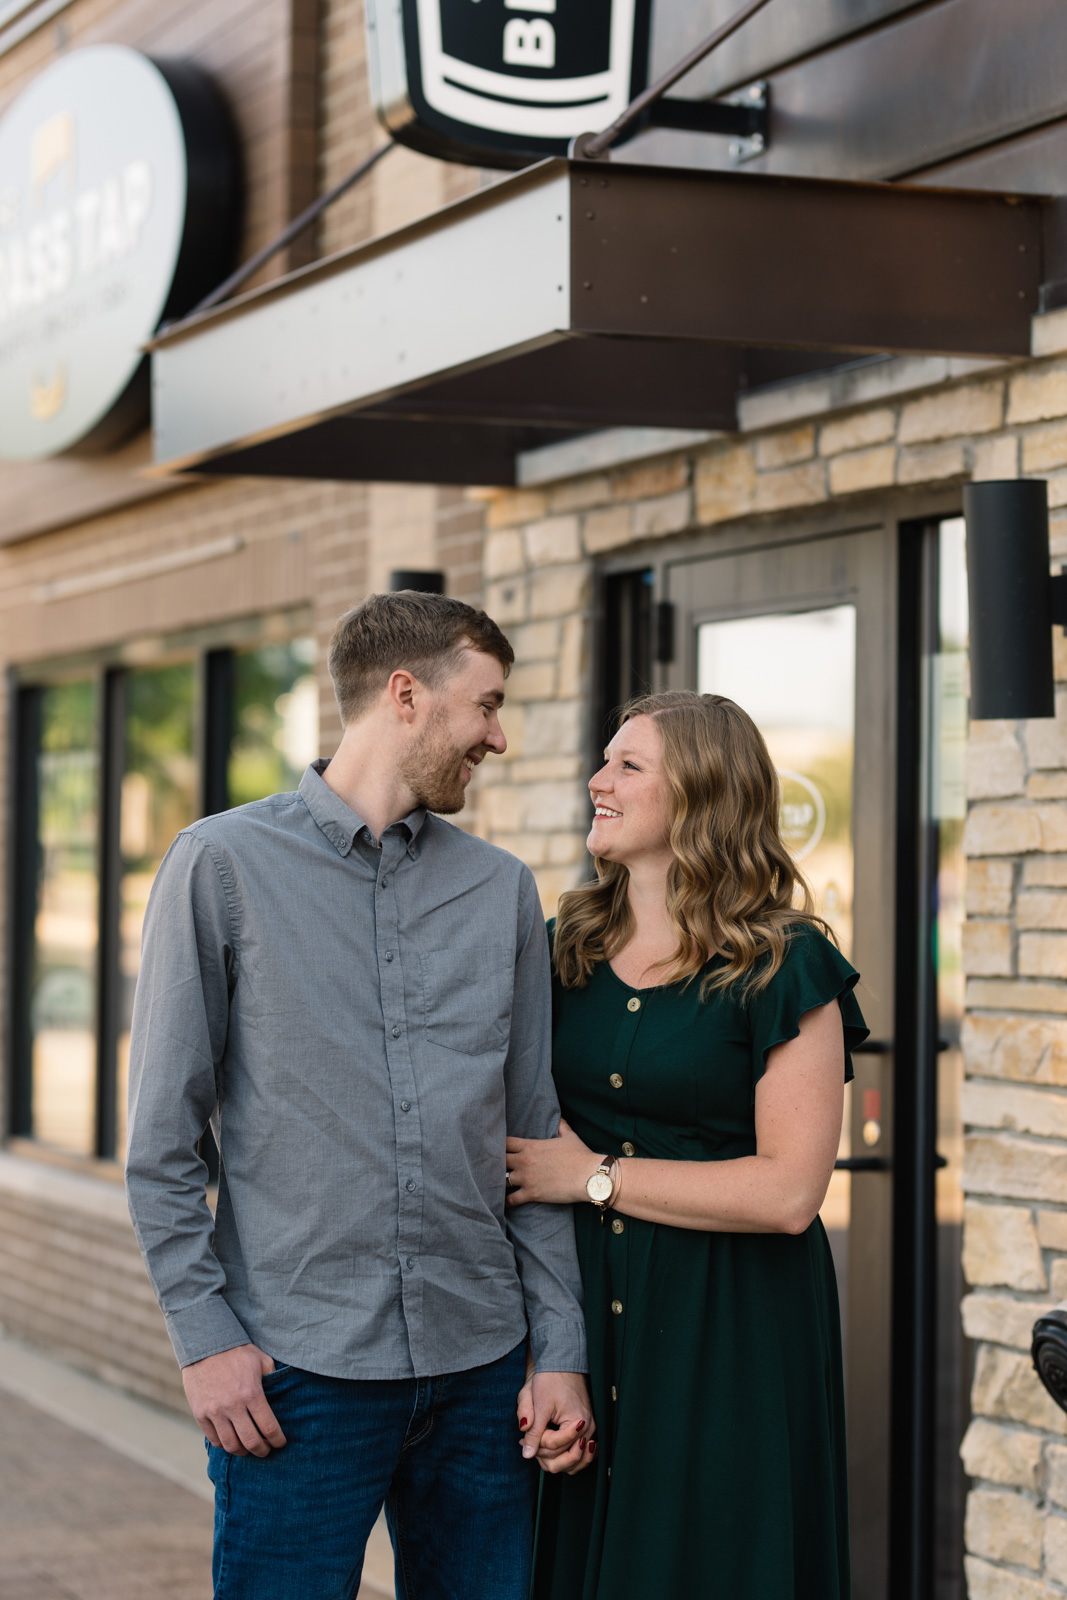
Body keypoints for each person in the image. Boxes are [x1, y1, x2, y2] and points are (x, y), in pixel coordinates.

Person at [125, 591, 594, 1600]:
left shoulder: (500, 890)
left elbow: (529, 1136)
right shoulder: (221, 866)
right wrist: (206, 1343)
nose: (498, 738)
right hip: (299, 1373)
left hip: (481, 1372)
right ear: (405, 692)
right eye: (486, 705)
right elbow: (162, 1146)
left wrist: (557, 1350)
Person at [505, 690, 868, 1600]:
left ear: (703, 794)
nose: (599, 781)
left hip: (731, 1329)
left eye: (629, 766)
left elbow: (789, 1193)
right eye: (605, 760)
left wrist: (589, 1178)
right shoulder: (560, 952)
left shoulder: (784, 964)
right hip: (578, 1315)